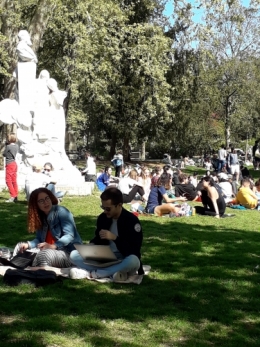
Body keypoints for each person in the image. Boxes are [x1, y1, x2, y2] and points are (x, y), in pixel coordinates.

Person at [69, 187, 143, 281]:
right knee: (73, 255)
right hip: (105, 257)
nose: (105, 211)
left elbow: (134, 250)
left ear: (119, 205)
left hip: (123, 257)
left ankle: (96, 273)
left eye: (108, 209)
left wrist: (115, 238)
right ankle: (113, 273)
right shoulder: (103, 218)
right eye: (103, 207)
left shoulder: (131, 221)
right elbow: (98, 239)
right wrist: (91, 246)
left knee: (134, 261)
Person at [13, 188, 82, 267]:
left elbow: (69, 236)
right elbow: (39, 239)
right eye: (41, 201)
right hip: (47, 249)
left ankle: (40, 269)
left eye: (47, 198)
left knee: (45, 254)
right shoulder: (40, 217)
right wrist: (28, 244)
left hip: (68, 252)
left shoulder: (62, 212)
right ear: (36, 204)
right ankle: (18, 264)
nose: (46, 202)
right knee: (20, 246)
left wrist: (53, 246)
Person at [3, 133, 19, 203]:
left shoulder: (8, 147)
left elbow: (4, 154)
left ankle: (12, 196)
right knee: (14, 180)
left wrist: (6, 145)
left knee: (8, 180)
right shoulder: (17, 146)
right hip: (14, 164)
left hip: (9, 164)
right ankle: (15, 196)